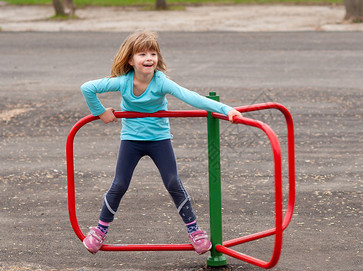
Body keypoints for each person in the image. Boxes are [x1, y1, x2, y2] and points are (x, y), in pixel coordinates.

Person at [80, 30, 242, 255]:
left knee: (173, 182)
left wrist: (227, 110)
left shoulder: (161, 82)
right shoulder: (123, 82)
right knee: (119, 184)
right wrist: (100, 112)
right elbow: (87, 88)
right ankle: (99, 230)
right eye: (142, 54)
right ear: (130, 60)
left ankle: (194, 230)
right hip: (132, 140)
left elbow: (191, 97)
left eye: (153, 53)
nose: (149, 58)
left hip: (159, 140)